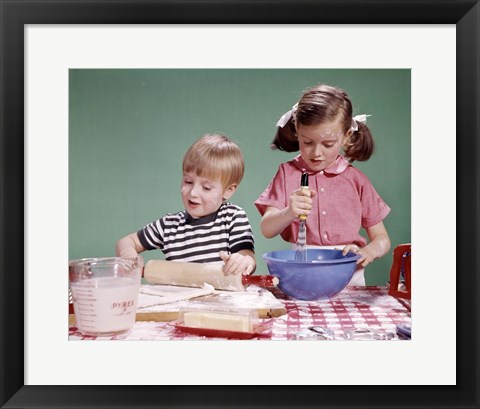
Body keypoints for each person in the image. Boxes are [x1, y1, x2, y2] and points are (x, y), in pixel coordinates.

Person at [255, 84, 391, 285]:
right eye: (307, 142)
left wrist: (369, 251)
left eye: (328, 144)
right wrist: (289, 212)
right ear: (297, 132)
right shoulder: (287, 173)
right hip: (302, 273)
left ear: (346, 136)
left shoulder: (356, 180)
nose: (316, 153)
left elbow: (382, 239)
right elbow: (267, 229)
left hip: (349, 277)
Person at [116, 133, 256, 276]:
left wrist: (242, 262)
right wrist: (129, 256)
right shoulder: (169, 226)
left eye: (206, 187)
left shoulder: (233, 217)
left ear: (228, 190)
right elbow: (127, 241)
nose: (193, 192)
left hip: (225, 297)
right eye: (188, 181)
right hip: (180, 298)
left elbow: (247, 257)